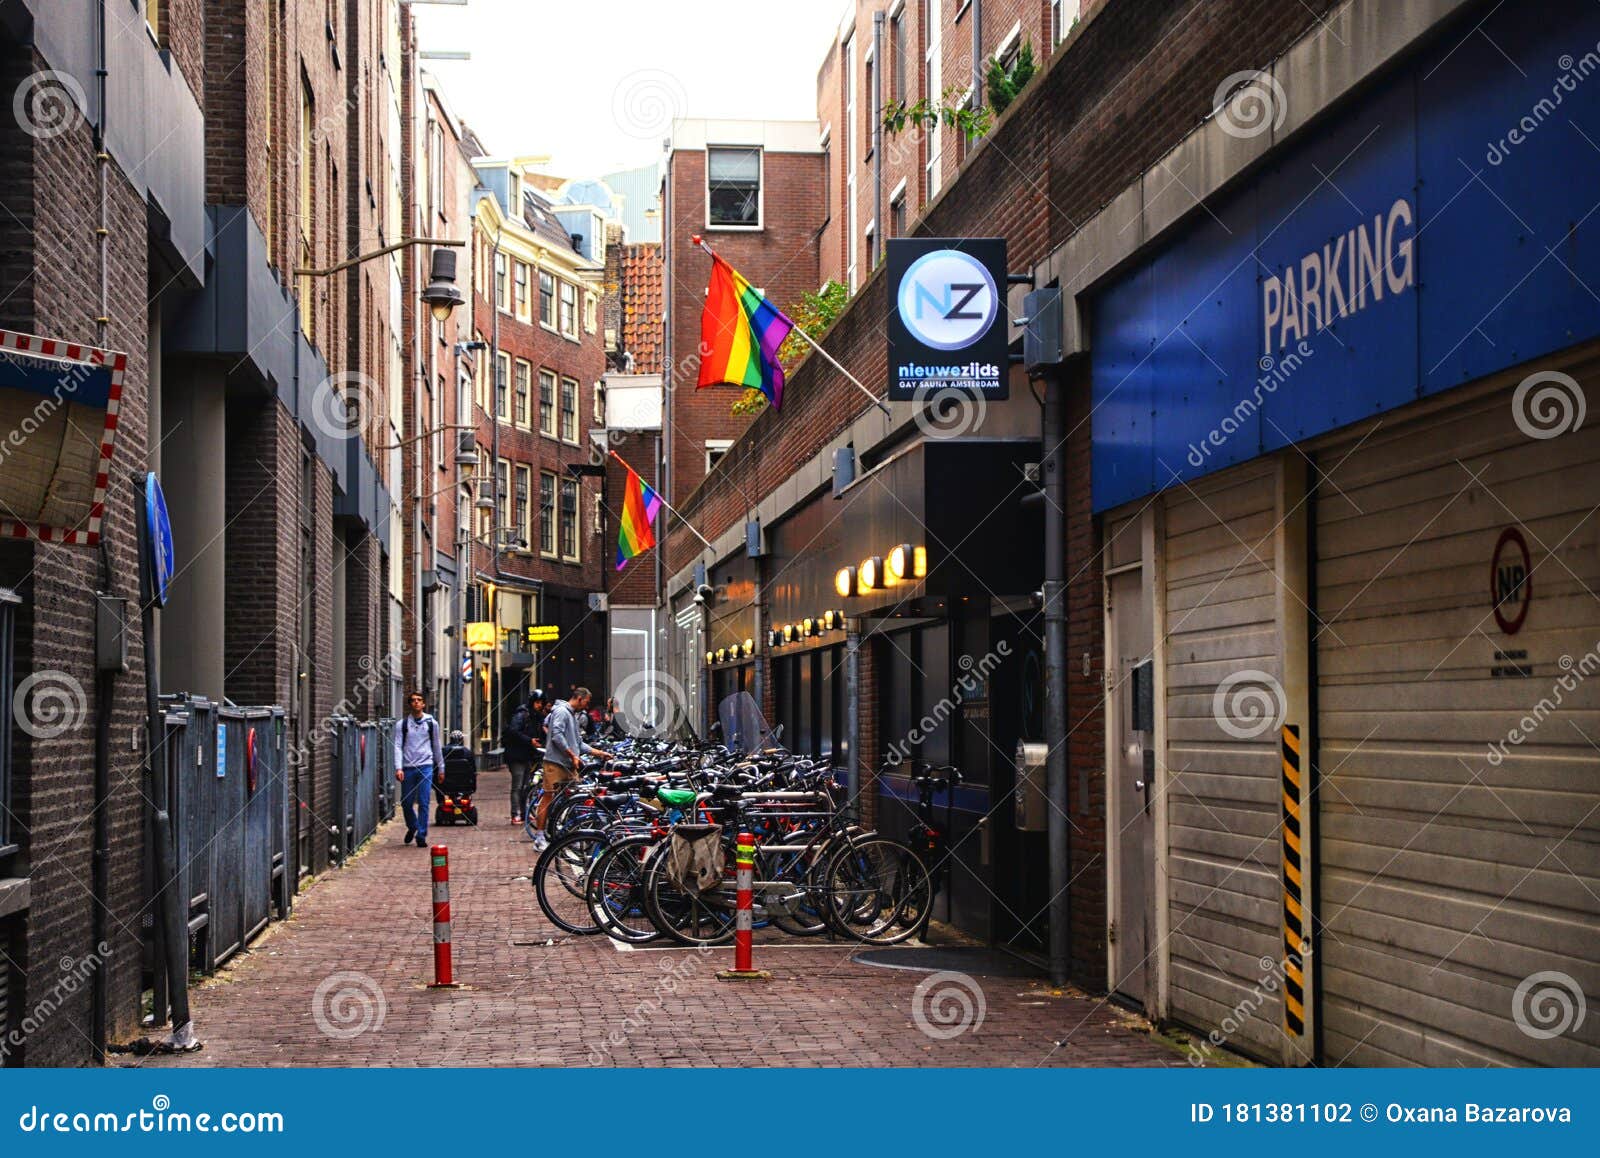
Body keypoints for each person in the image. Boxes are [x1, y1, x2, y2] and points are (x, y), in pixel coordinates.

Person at [532, 686, 612, 851]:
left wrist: (600, 753)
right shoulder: (562, 712)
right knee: (548, 799)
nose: (587, 706)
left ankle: (569, 835)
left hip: (568, 764)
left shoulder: (572, 715)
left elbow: (578, 743)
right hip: (556, 763)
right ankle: (539, 838)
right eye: (587, 702)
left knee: (574, 798)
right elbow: (556, 736)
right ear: (579, 699)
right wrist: (572, 755)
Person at [393, 691, 445, 847]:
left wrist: (441, 768)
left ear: (423, 704)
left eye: (419, 700)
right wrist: (398, 767)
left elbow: (436, 745)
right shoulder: (402, 725)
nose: (416, 702)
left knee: (424, 802)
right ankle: (413, 826)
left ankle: (421, 835)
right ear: (410, 705)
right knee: (406, 803)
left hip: (426, 766)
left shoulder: (431, 723)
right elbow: (397, 746)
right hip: (408, 767)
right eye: (413, 700)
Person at [502, 691, 543, 824]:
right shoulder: (521, 715)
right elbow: (513, 732)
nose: (539, 705)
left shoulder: (534, 716)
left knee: (526, 786)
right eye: (537, 703)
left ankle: (524, 813)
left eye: (541, 703)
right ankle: (515, 815)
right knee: (517, 786)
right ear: (532, 702)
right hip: (516, 756)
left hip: (526, 756)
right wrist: (529, 741)